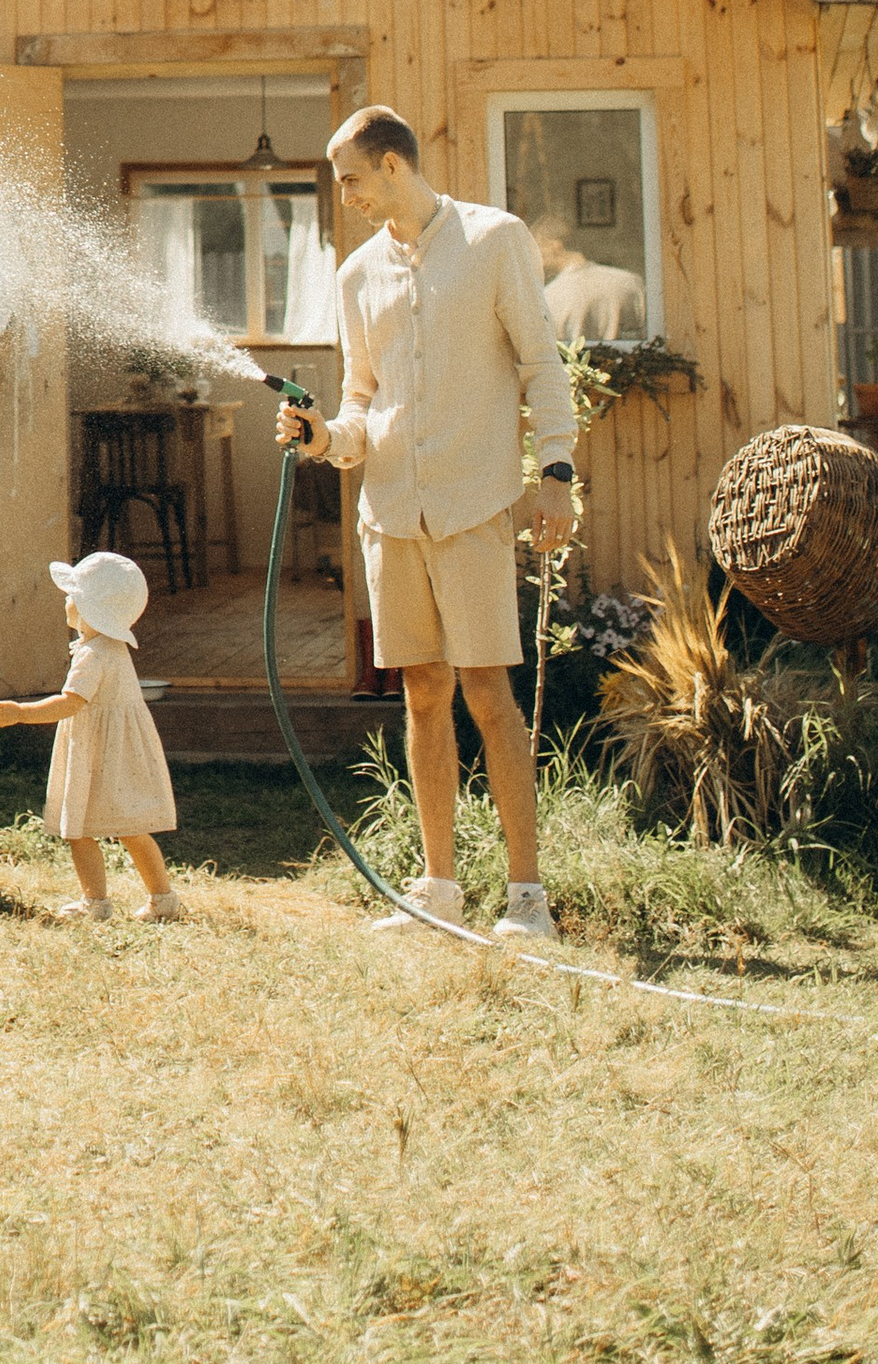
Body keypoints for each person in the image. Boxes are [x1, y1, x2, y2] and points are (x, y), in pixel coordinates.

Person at [277, 107, 577, 939]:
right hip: (391, 512)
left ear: (394, 166)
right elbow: (361, 409)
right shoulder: (356, 276)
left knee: (489, 691)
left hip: (474, 502)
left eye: (350, 180)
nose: (346, 198)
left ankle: (527, 899)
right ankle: (437, 888)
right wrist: (323, 438)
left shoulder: (494, 241)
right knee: (422, 694)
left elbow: (541, 362)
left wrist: (555, 470)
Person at [0, 549, 180, 921]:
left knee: (78, 829)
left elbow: (70, 702)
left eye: (71, 597)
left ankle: (96, 903)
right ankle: (163, 899)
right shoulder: (113, 648)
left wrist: (21, 713)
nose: (65, 603)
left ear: (89, 609)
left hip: (95, 753)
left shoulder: (92, 654)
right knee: (131, 828)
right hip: (118, 754)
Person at [535, 224, 649, 347]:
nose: (534, 256)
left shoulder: (548, 296)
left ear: (554, 246)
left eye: (537, 247)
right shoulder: (631, 281)